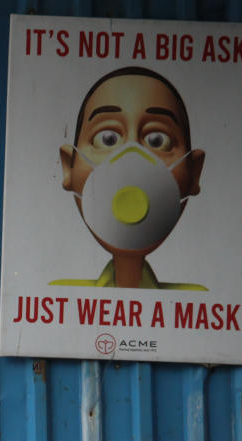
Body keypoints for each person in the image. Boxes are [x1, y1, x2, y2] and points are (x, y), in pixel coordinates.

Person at [53, 66, 207, 290]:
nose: (131, 167)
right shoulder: (60, 297)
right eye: (107, 138)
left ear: (194, 172)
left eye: (157, 139)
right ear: (69, 166)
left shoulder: (196, 302)